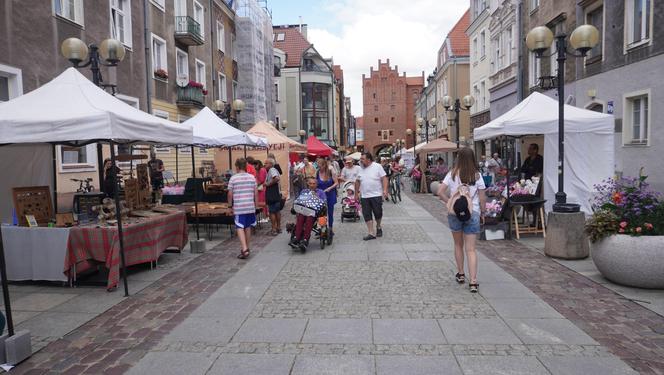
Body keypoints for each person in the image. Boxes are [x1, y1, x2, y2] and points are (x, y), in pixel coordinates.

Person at [437, 147, 486, 293]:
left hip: (455, 214)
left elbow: (440, 191)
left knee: (458, 245)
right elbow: (482, 197)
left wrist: (449, 202)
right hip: (473, 212)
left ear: (458, 158)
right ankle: (473, 281)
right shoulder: (476, 175)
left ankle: (461, 274)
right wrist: (483, 212)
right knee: (471, 249)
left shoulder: (452, 174)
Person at [227, 158, 258, 259]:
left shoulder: (233, 178)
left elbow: (230, 194)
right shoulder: (252, 178)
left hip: (240, 207)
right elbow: (256, 193)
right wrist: (256, 205)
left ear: (237, 167)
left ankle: (244, 248)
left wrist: (230, 206)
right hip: (250, 206)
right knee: (248, 227)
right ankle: (247, 247)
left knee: (239, 227)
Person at [355, 152, 389, 241]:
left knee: (378, 213)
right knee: (366, 214)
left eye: (362, 159)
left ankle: (378, 226)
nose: (360, 160)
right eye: (360, 159)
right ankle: (371, 232)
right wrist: (356, 193)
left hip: (376, 194)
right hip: (364, 195)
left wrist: (385, 190)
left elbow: (384, 178)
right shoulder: (360, 168)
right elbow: (357, 181)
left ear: (369, 159)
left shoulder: (377, 166)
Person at [289, 176, 327, 250]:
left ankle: (306, 239)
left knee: (309, 218)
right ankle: (297, 237)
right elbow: (299, 201)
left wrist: (317, 198)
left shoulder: (321, 192)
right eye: (310, 183)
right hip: (304, 211)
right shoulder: (304, 191)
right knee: (300, 218)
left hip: (315, 213)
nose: (312, 185)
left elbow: (324, 204)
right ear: (308, 184)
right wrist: (294, 207)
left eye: (314, 183)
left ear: (317, 184)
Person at [316, 158, 339, 235]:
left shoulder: (330, 171)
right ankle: (322, 229)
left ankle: (330, 228)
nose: (319, 168)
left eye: (320, 166)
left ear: (324, 165)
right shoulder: (317, 173)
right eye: (318, 166)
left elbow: (336, 182)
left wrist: (330, 188)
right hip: (321, 195)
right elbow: (315, 183)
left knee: (330, 212)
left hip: (330, 194)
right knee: (321, 213)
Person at [265, 158, 283, 235]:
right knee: (277, 211)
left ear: (270, 164)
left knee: (272, 211)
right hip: (276, 193)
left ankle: (274, 229)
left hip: (272, 193)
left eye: (266, 163)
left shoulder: (272, 170)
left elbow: (276, 178)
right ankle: (278, 227)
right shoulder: (274, 169)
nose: (264, 165)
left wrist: (268, 184)